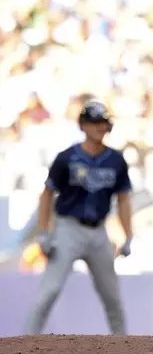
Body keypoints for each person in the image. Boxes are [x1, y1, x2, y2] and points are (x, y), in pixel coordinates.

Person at [24, 100, 133, 335]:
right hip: (68, 228)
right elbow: (47, 194)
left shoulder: (116, 160)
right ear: (82, 126)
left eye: (102, 122)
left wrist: (128, 235)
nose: (98, 127)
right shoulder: (67, 158)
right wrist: (44, 231)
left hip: (98, 231)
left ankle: (124, 345)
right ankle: (25, 342)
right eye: (93, 122)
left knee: (112, 296)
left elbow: (123, 199)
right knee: (49, 291)